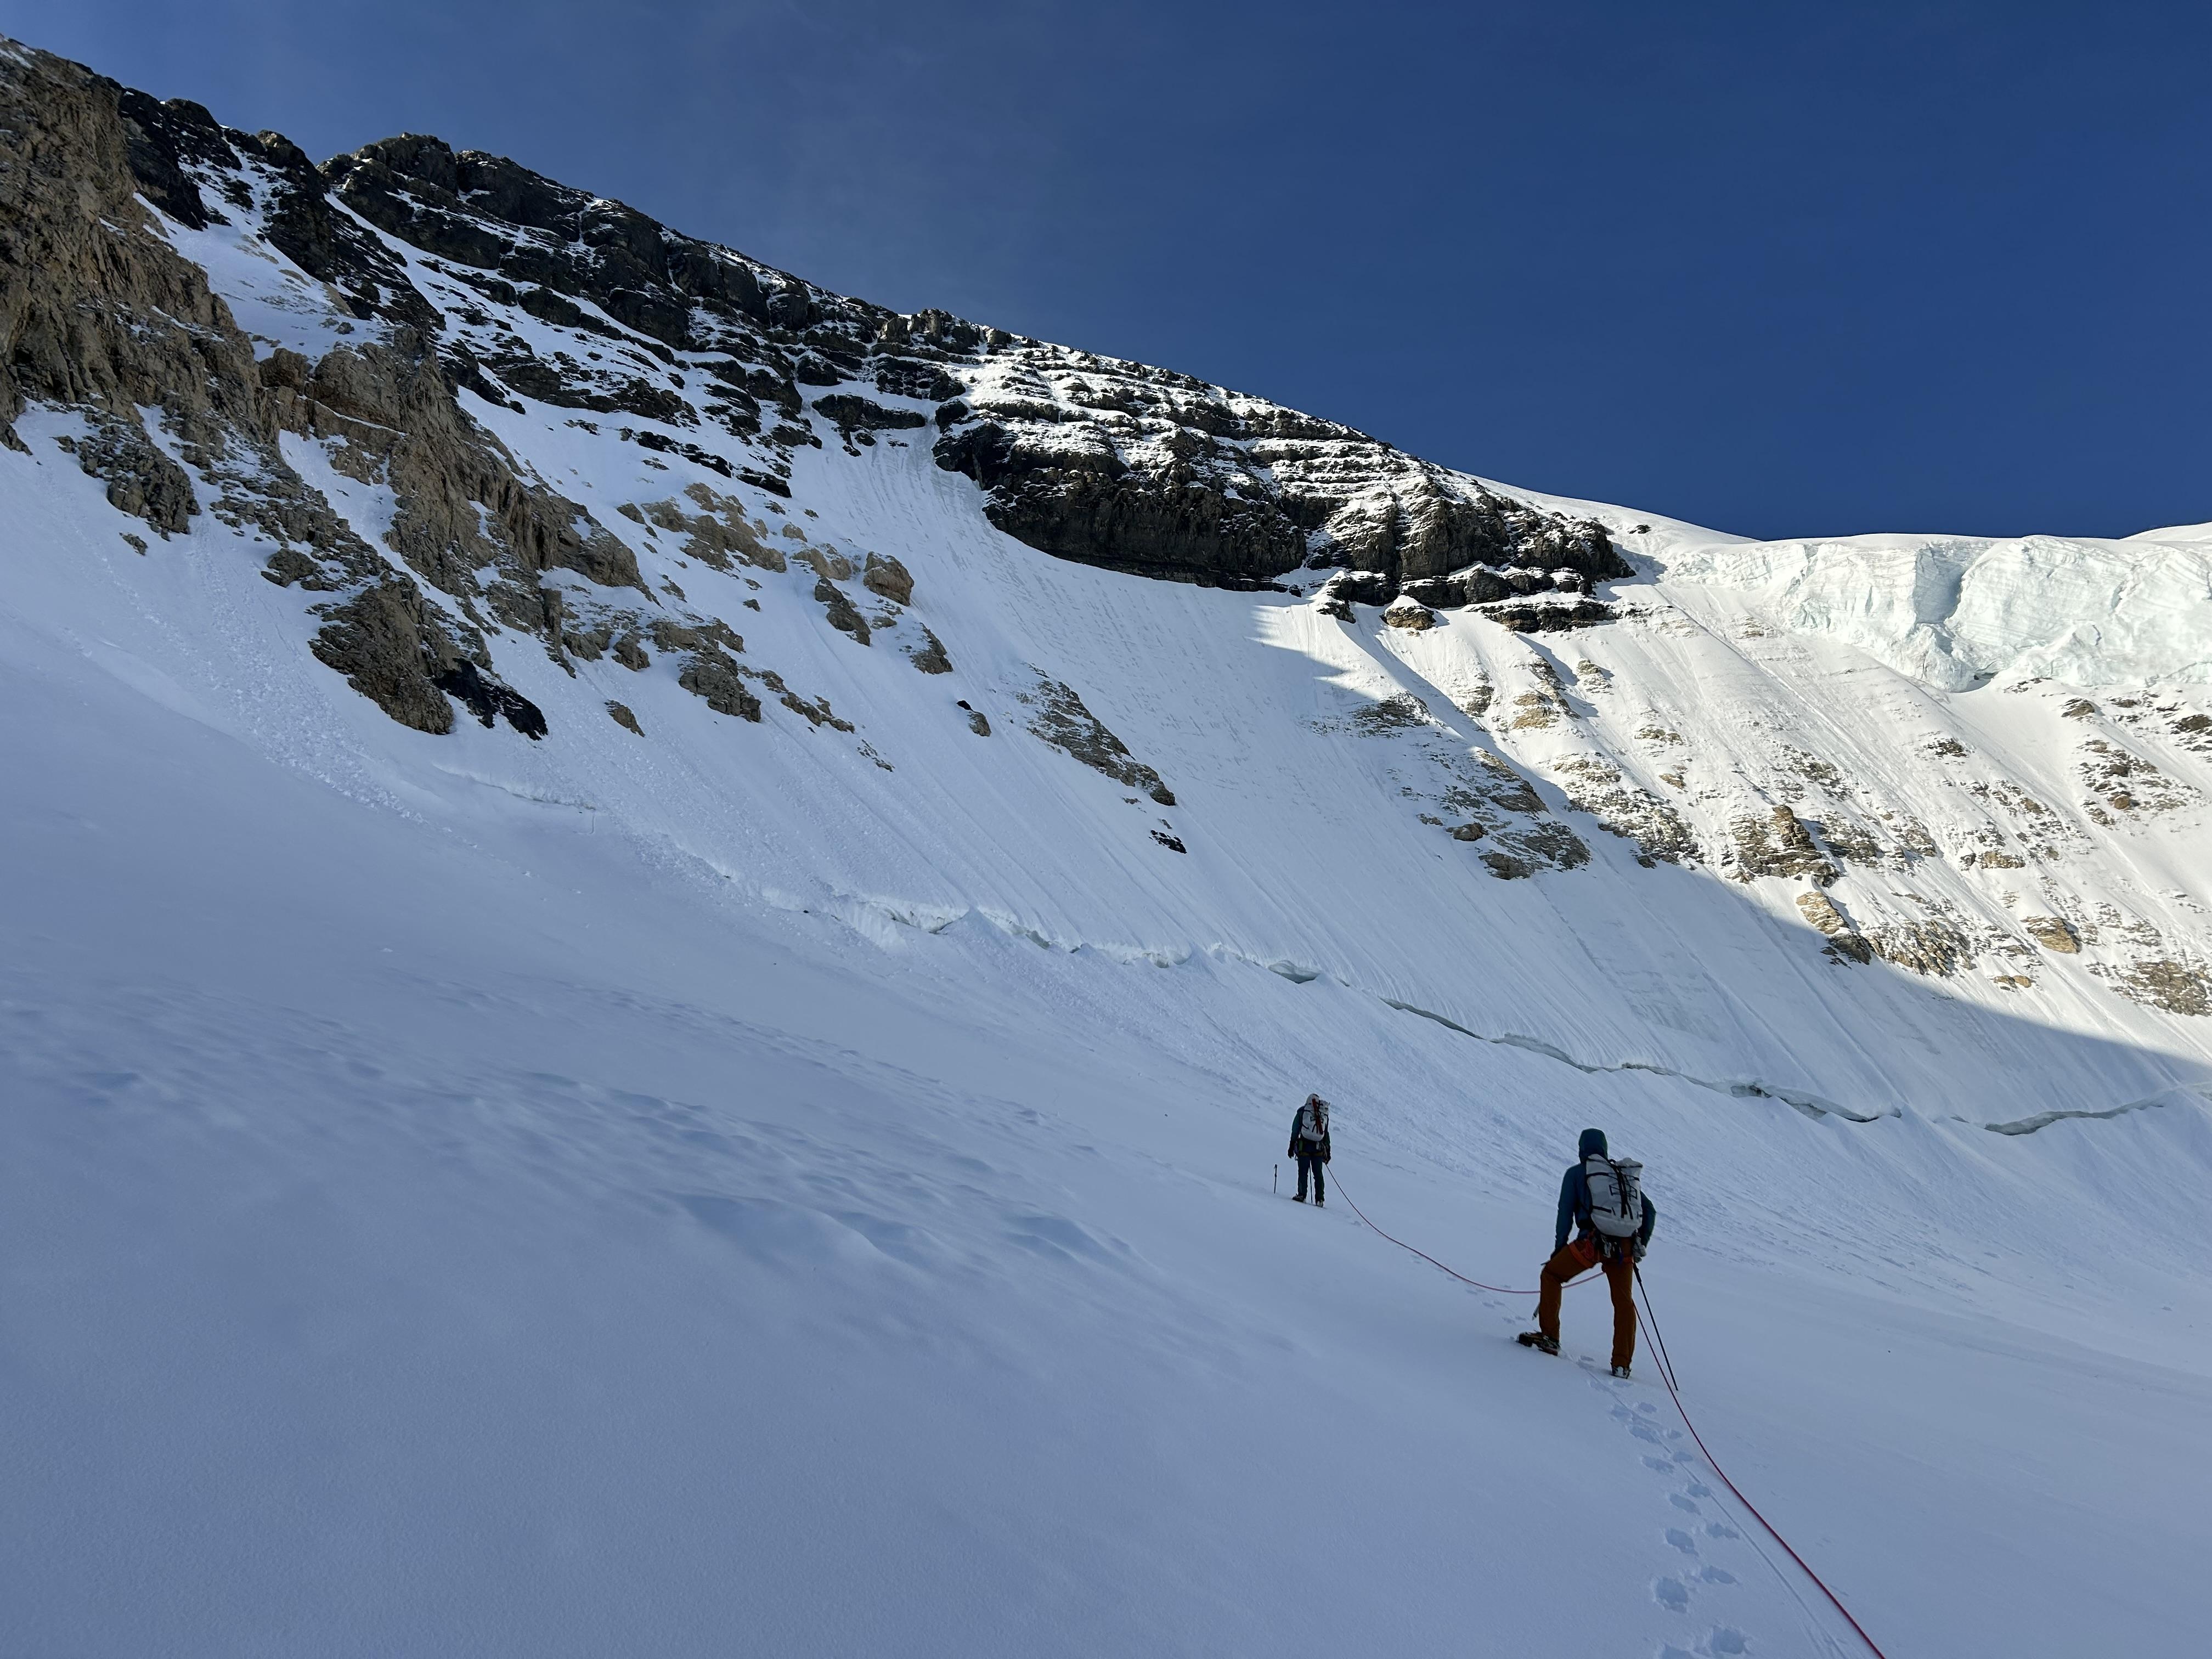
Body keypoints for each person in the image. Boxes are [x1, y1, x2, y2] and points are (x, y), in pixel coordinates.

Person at [1517, 1128, 1656, 1377]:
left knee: (1552, 1275)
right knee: (1623, 1302)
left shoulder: (1576, 1174)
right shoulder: (1618, 1176)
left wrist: (1559, 1249)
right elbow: (1650, 1211)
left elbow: (1565, 1214)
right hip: (1624, 1249)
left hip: (1590, 1245)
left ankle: (1550, 1338)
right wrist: (1640, 1245)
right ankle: (1622, 1364)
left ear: (1582, 1149)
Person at [1286, 1093, 1331, 1205]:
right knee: (1318, 1174)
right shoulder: (1323, 1114)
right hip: (1318, 1149)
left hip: (1304, 1147)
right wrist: (1328, 1150)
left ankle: (1302, 1195)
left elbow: (1295, 1129)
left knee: (1303, 1172)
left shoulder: (1302, 1112)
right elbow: (1326, 1133)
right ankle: (1320, 1199)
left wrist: (1291, 1146)